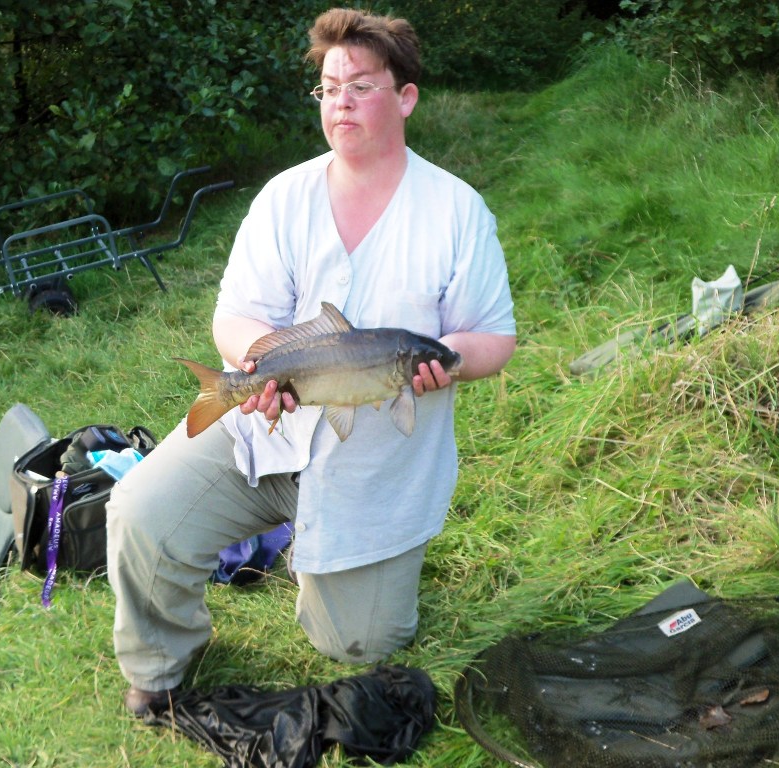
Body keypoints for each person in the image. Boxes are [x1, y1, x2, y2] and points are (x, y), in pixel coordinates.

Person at [106, 7, 517, 717]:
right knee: (139, 510)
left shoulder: (457, 211)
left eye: (360, 86)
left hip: (379, 468)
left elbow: (493, 339)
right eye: (329, 89)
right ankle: (160, 662)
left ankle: (339, 569)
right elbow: (234, 318)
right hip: (265, 433)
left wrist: (447, 364)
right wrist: (256, 372)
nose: (341, 104)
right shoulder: (284, 198)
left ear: (405, 97)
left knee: (359, 648)